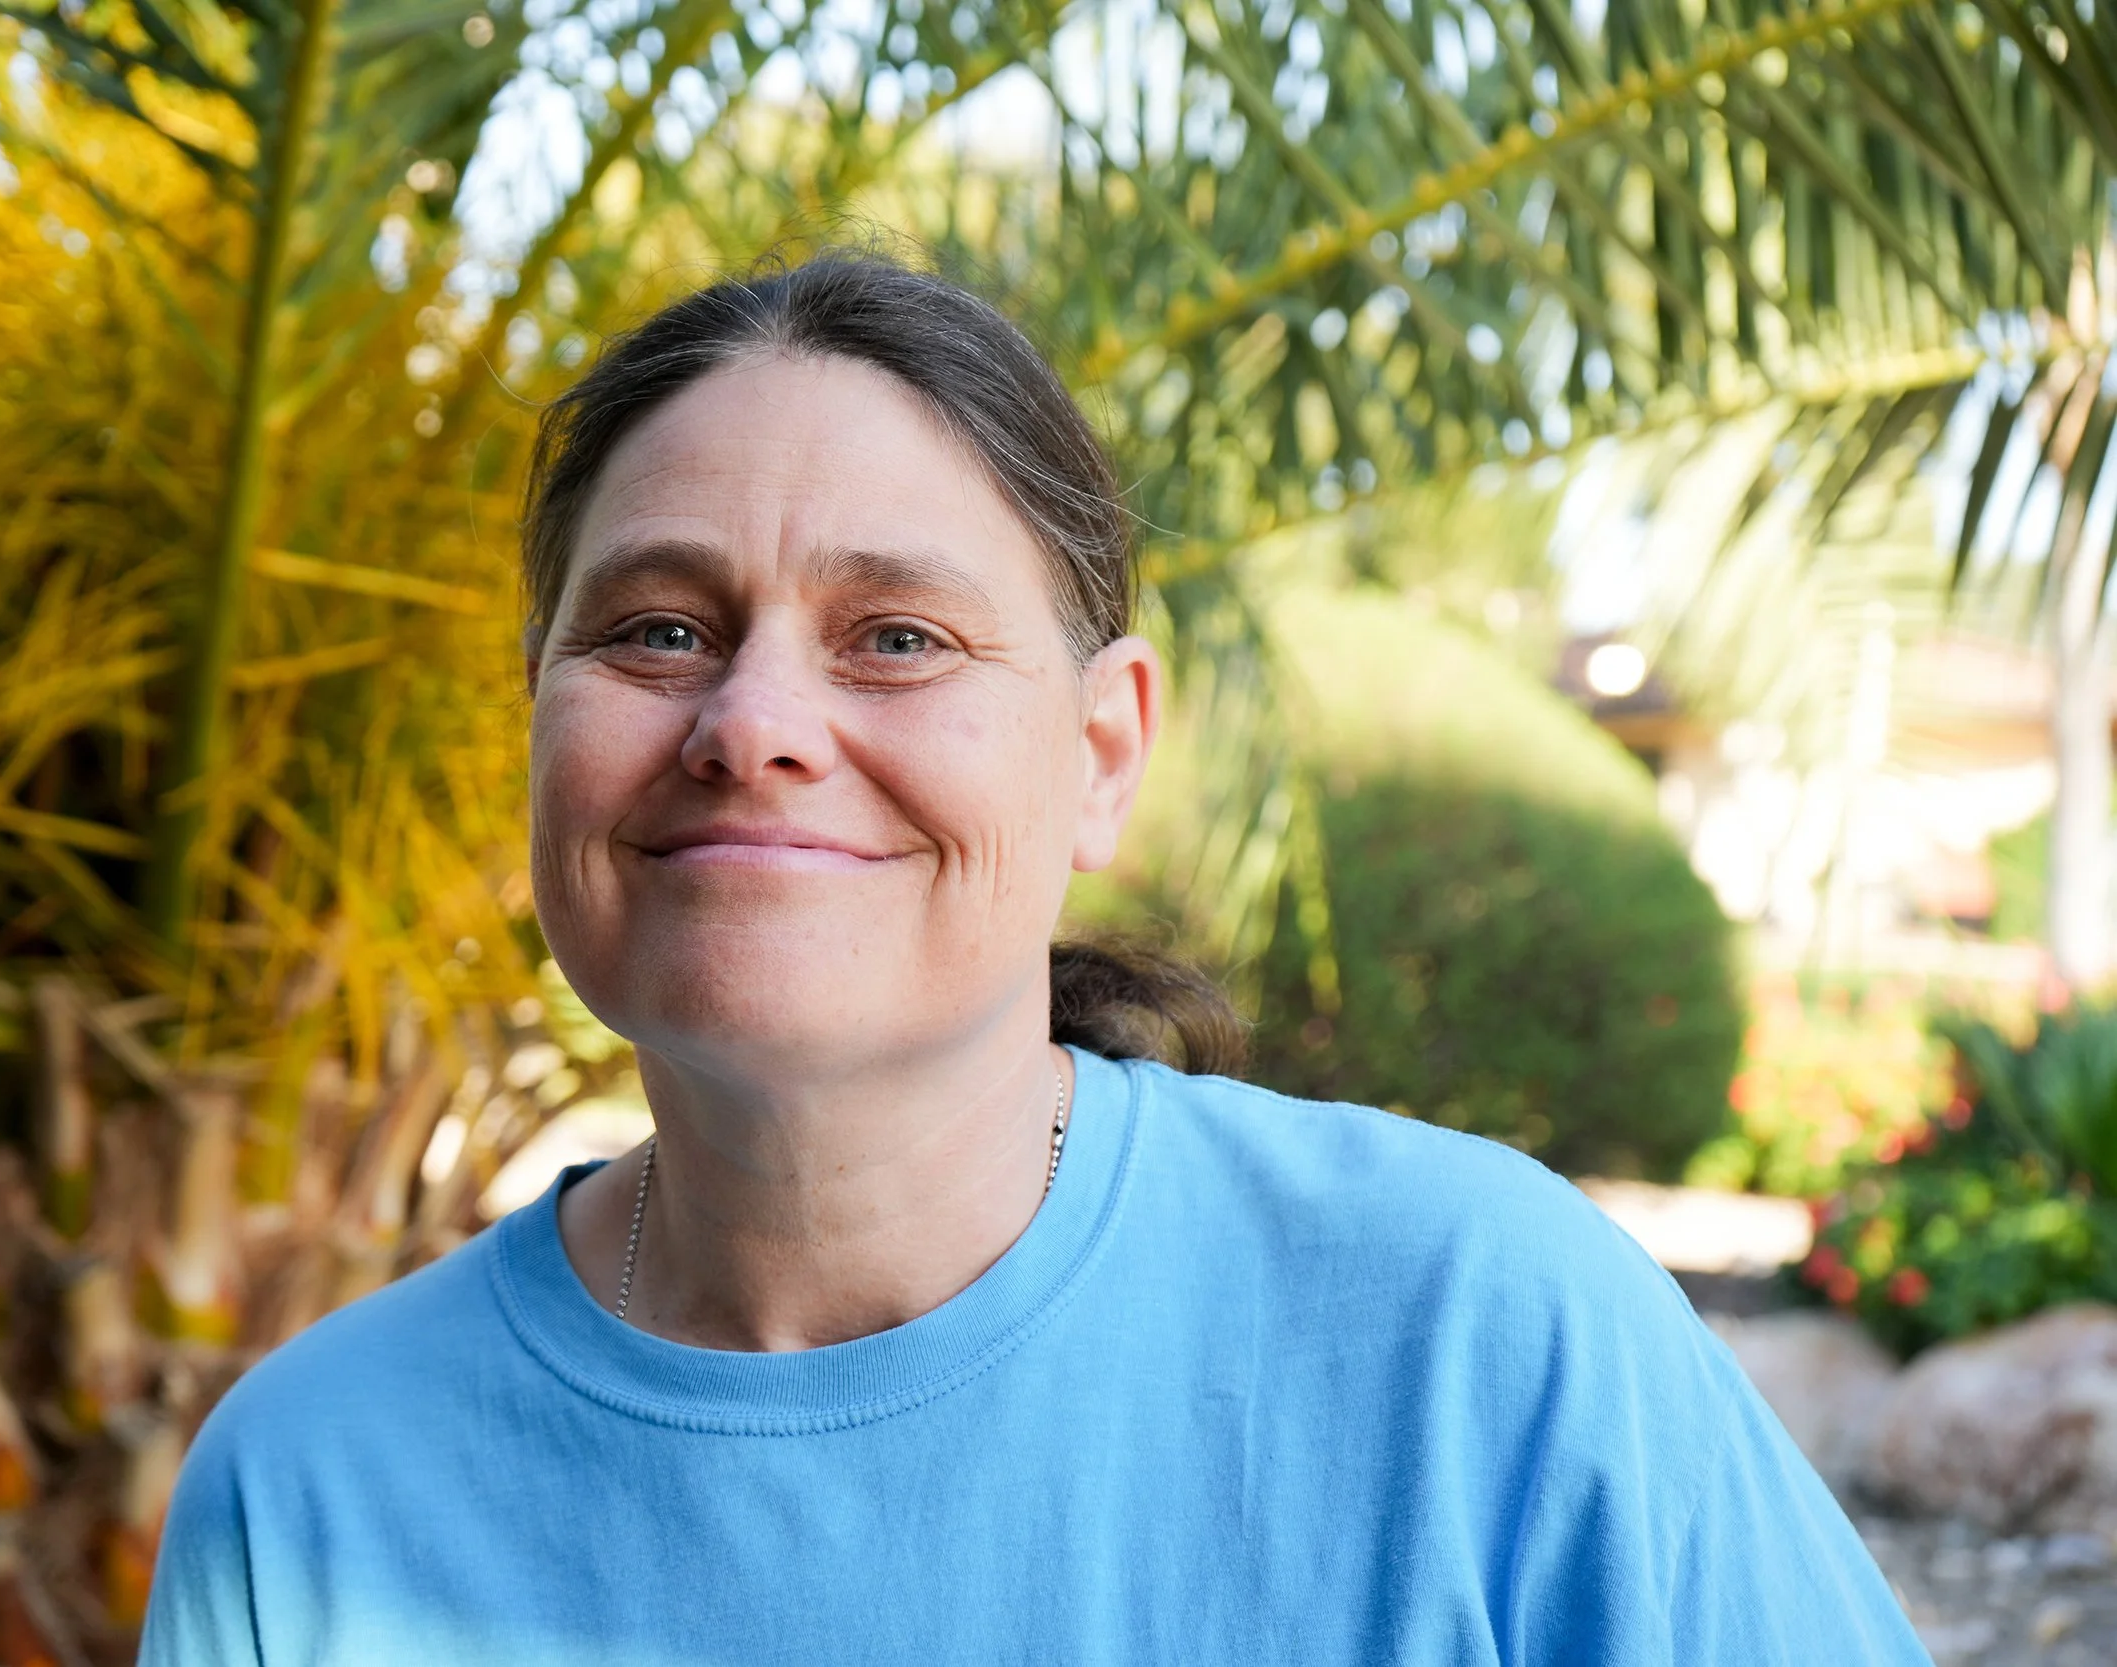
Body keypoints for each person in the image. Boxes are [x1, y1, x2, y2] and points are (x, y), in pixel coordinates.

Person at [139, 251, 1929, 1665]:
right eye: (660, 629)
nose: (752, 723)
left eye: (896, 636)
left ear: (1101, 752)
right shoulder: (311, 1489)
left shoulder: (1482, 1338)